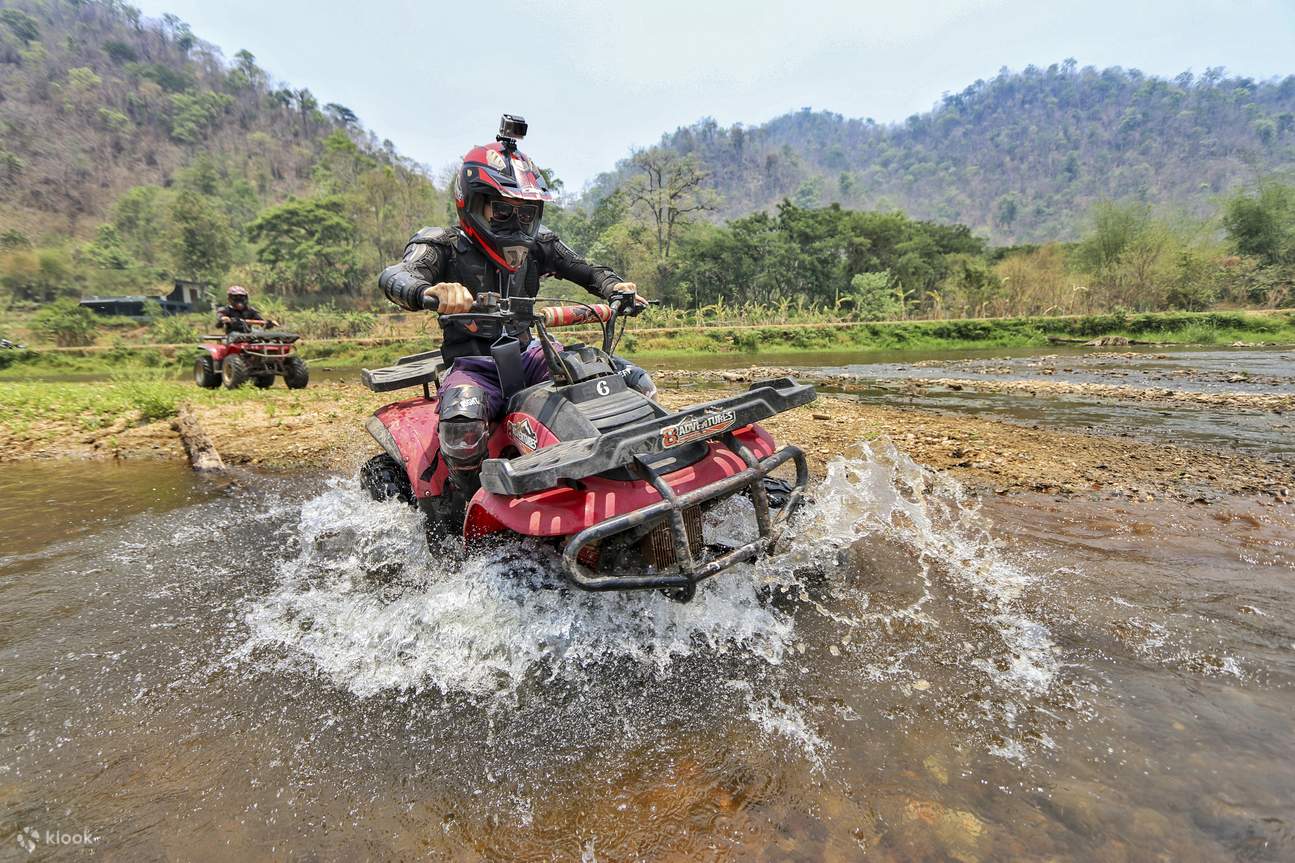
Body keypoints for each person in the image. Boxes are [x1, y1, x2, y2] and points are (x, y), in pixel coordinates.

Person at [379, 124, 648, 486]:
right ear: (472, 204)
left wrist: (615, 287)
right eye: (502, 212)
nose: (516, 224)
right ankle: (469, 505)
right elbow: (397, 275)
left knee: (623, 379)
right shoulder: (440, 244)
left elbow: (586, 269)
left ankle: (633, 468)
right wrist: (432, 291)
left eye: (526, 214)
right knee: (463, 423)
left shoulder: (540, 246)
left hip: (531, 353)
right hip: (473, 364)